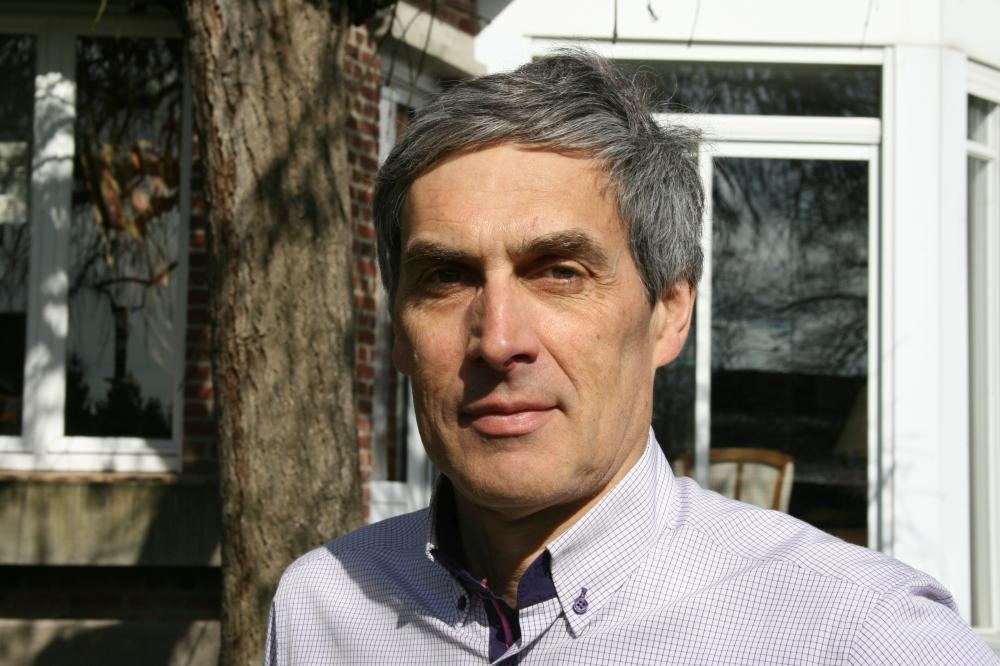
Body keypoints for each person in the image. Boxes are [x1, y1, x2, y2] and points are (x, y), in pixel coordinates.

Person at [264, 51, 998, 665]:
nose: (499, 339)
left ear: (670, 311)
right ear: (398, 330)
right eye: (447, 277)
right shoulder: (322, 611)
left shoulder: (857, 634)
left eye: (559, 272)